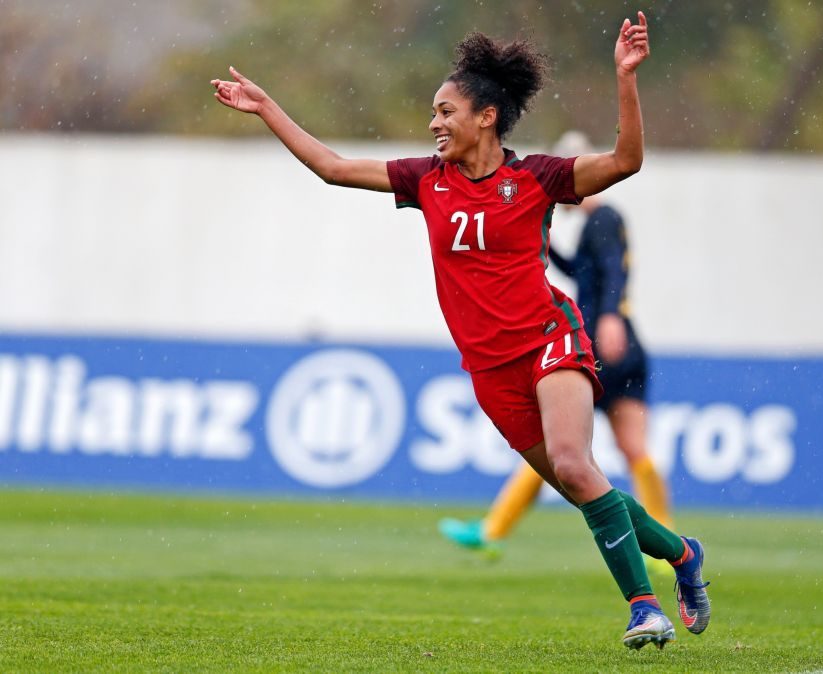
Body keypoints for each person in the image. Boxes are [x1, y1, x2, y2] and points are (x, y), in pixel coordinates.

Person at [210, 11, 709, 650]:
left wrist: (625, 77)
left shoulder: (536, 179)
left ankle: (644, 608)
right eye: (433, 113)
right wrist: (265, 108)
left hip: (550, 338)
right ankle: (684, 554)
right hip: (490, 368)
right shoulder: (426, 180)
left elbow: (627, 160)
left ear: (487, 117)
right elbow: (332, 167)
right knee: (584, 486)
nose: (434, 122)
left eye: (446, 111)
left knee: (572, 464)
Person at [439, 131, 674, 571]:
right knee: (624, 450)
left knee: (560, 452)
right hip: (625, 346)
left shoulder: (603, 220)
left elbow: (610, 274)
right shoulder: (598, 224)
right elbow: (581, 268)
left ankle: (493, 530)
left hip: (602, 341)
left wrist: (609, 318)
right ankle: (666, 537)